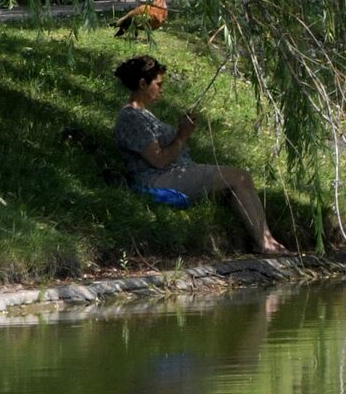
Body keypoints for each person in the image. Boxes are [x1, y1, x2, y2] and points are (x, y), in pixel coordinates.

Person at [114, 54, 288, 255]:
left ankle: (265, 239)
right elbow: (159, 160)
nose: (162, 89)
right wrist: (182, 135)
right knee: (240, 177)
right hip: (158, 180)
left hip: (174, 173)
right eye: (158, 84)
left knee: (237, 180)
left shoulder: (144, 114)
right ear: (143, 84)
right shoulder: (131, 117)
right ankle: (264, 243)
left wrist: (182, 132)